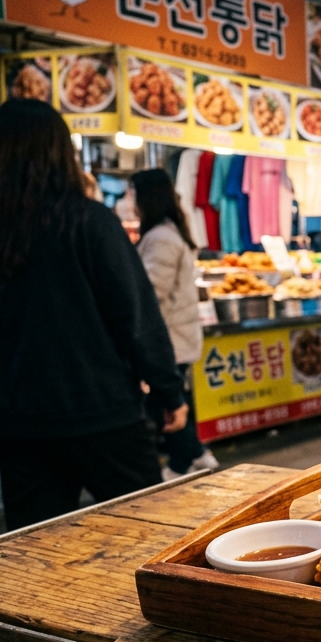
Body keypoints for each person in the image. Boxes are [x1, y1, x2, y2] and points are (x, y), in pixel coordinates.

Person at [0, 99, 187, 530]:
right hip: (103, 412)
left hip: (18, 423)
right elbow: (135, 316)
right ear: (62, 152)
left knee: (34, 548)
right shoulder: (89, 221)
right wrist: (168, 391)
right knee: (147, 536)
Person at [132, 168, 218, 479]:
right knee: (177, 403)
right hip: (177, 338)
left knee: (168, 406)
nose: (131, 203)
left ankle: (181, 465)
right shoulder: (168, 233)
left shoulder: (161, 238)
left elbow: (150, 296)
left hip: (170, 341)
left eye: (133, 195)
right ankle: (199, 455)